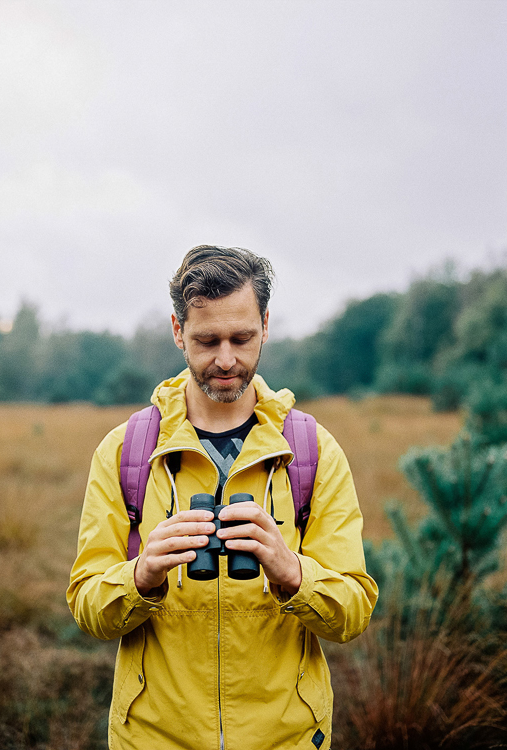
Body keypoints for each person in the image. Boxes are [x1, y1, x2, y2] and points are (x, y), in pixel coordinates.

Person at [67, 245, 378, 750]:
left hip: (286, 738)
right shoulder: (126, 451)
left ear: (266, 325)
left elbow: (354, 611)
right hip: (154, 738)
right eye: (207, 340)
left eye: (243, 337)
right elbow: (87, 606)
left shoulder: (311, 451)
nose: (227, 359)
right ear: (177, 331)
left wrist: (292, 572)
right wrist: (140, 576)